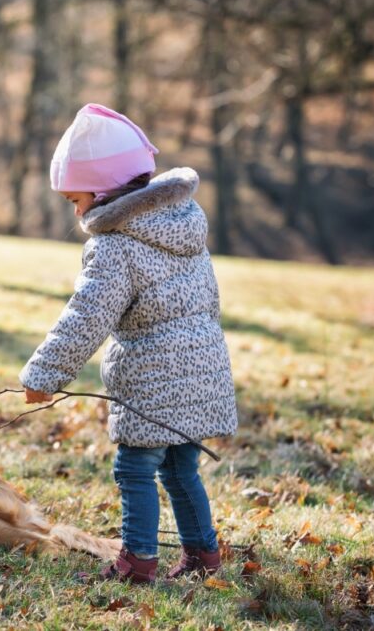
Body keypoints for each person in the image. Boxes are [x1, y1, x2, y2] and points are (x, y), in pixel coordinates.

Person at [20, 103, 238, 584]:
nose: (76, 212)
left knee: (134, 468)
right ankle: (204, 557)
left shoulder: (115, 244)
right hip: (201, 368)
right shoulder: (182, 223)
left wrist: (44, 375)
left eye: (76, 199)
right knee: (181, 468)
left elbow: (87, 317)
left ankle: (137, 561)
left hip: (153, 376)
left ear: (101, 192)